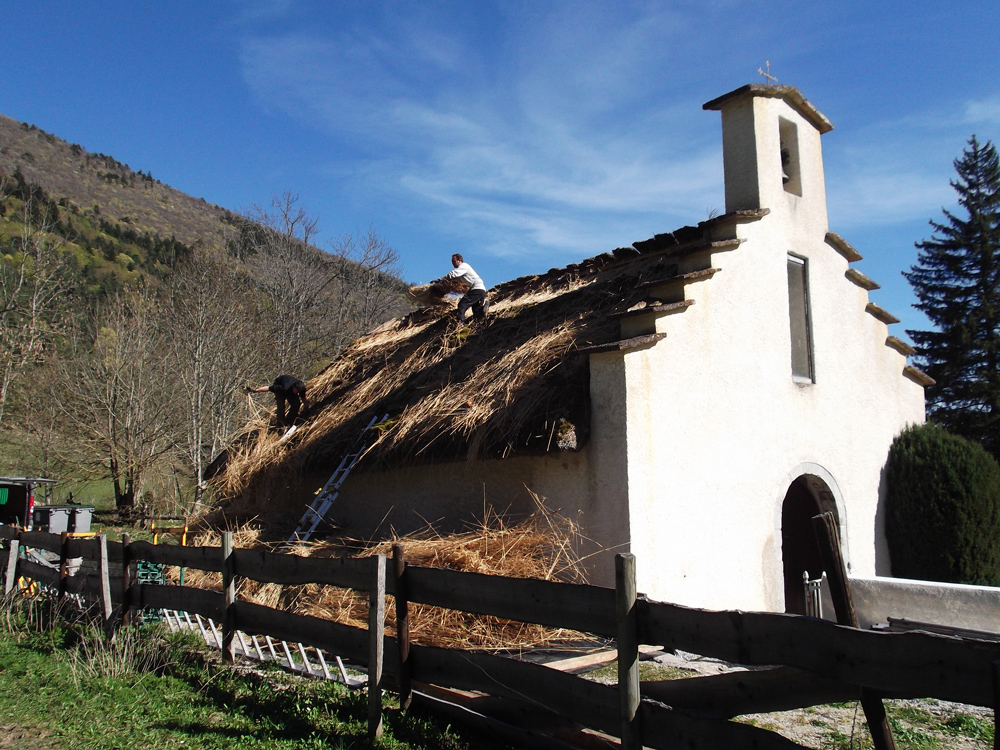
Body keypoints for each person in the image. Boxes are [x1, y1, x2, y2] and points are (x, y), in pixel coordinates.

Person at [441, 253, 488, 323]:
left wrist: (442, 279)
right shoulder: (461, 272)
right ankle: (483, 310)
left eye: (454, 261)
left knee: (462, 305)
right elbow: (454, 281)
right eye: (452, 262)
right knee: (476, 310)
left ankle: (461, 323)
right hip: (480, 290)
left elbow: (453, 274)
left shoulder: (464, 266)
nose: (452, 263)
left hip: (476, 289)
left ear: (459, 260)